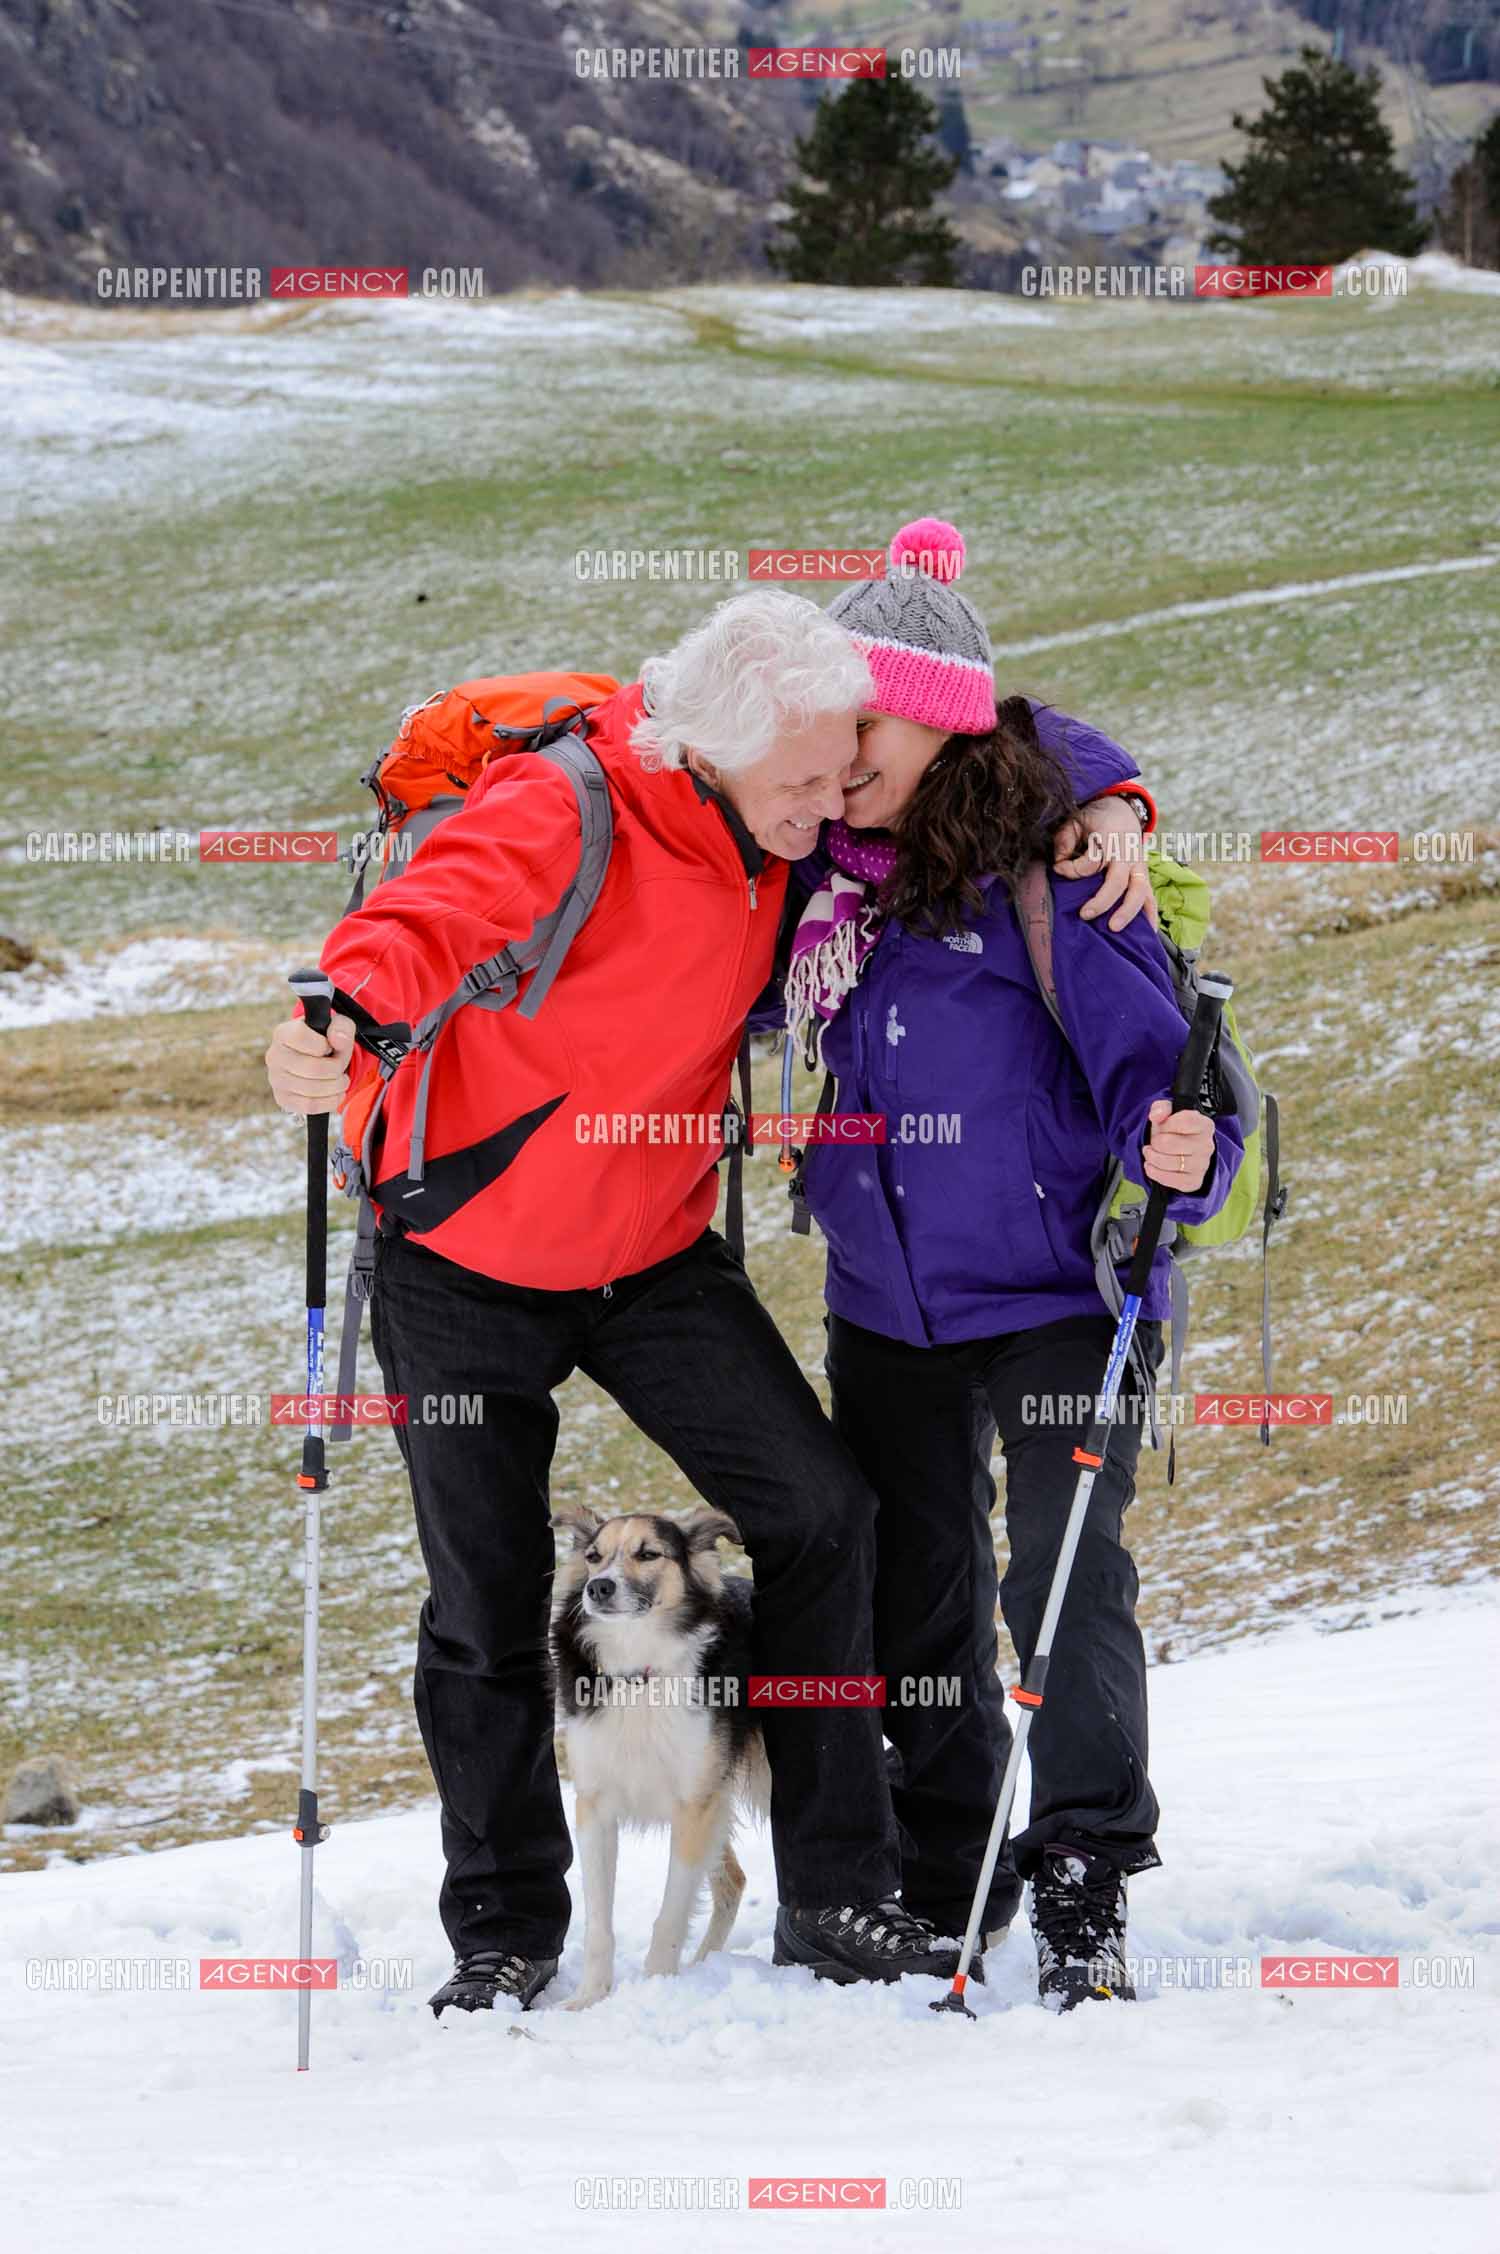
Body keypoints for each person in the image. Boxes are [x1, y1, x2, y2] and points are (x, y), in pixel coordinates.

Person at [264, 587, 1152, 2013]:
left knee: (820, 1513)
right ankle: (504, 1926)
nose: (837, 798)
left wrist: (1108, 796)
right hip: (464, 1253)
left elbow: (969, 719)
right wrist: (337, 1017)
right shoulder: (572, 810)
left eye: (841, 767)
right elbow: (422, 917)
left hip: (650, 1255)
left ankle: (840, 1895)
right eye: (808, 776)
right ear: (716, 748)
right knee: (488, 1599)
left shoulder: (789, 833)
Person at [782, 521, 1244, 2011]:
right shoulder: (815, 879)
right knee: (917, 1596)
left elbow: (1176, 1088)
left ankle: (1085, 1869)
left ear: (947, 716)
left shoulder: (1056, 869)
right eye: (836, 714)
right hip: (886, 1302)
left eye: (880, 717)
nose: (851, 746)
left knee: (1061, 1576)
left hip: (1061, 1299)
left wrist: (1190, 1154)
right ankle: (952, 1866)